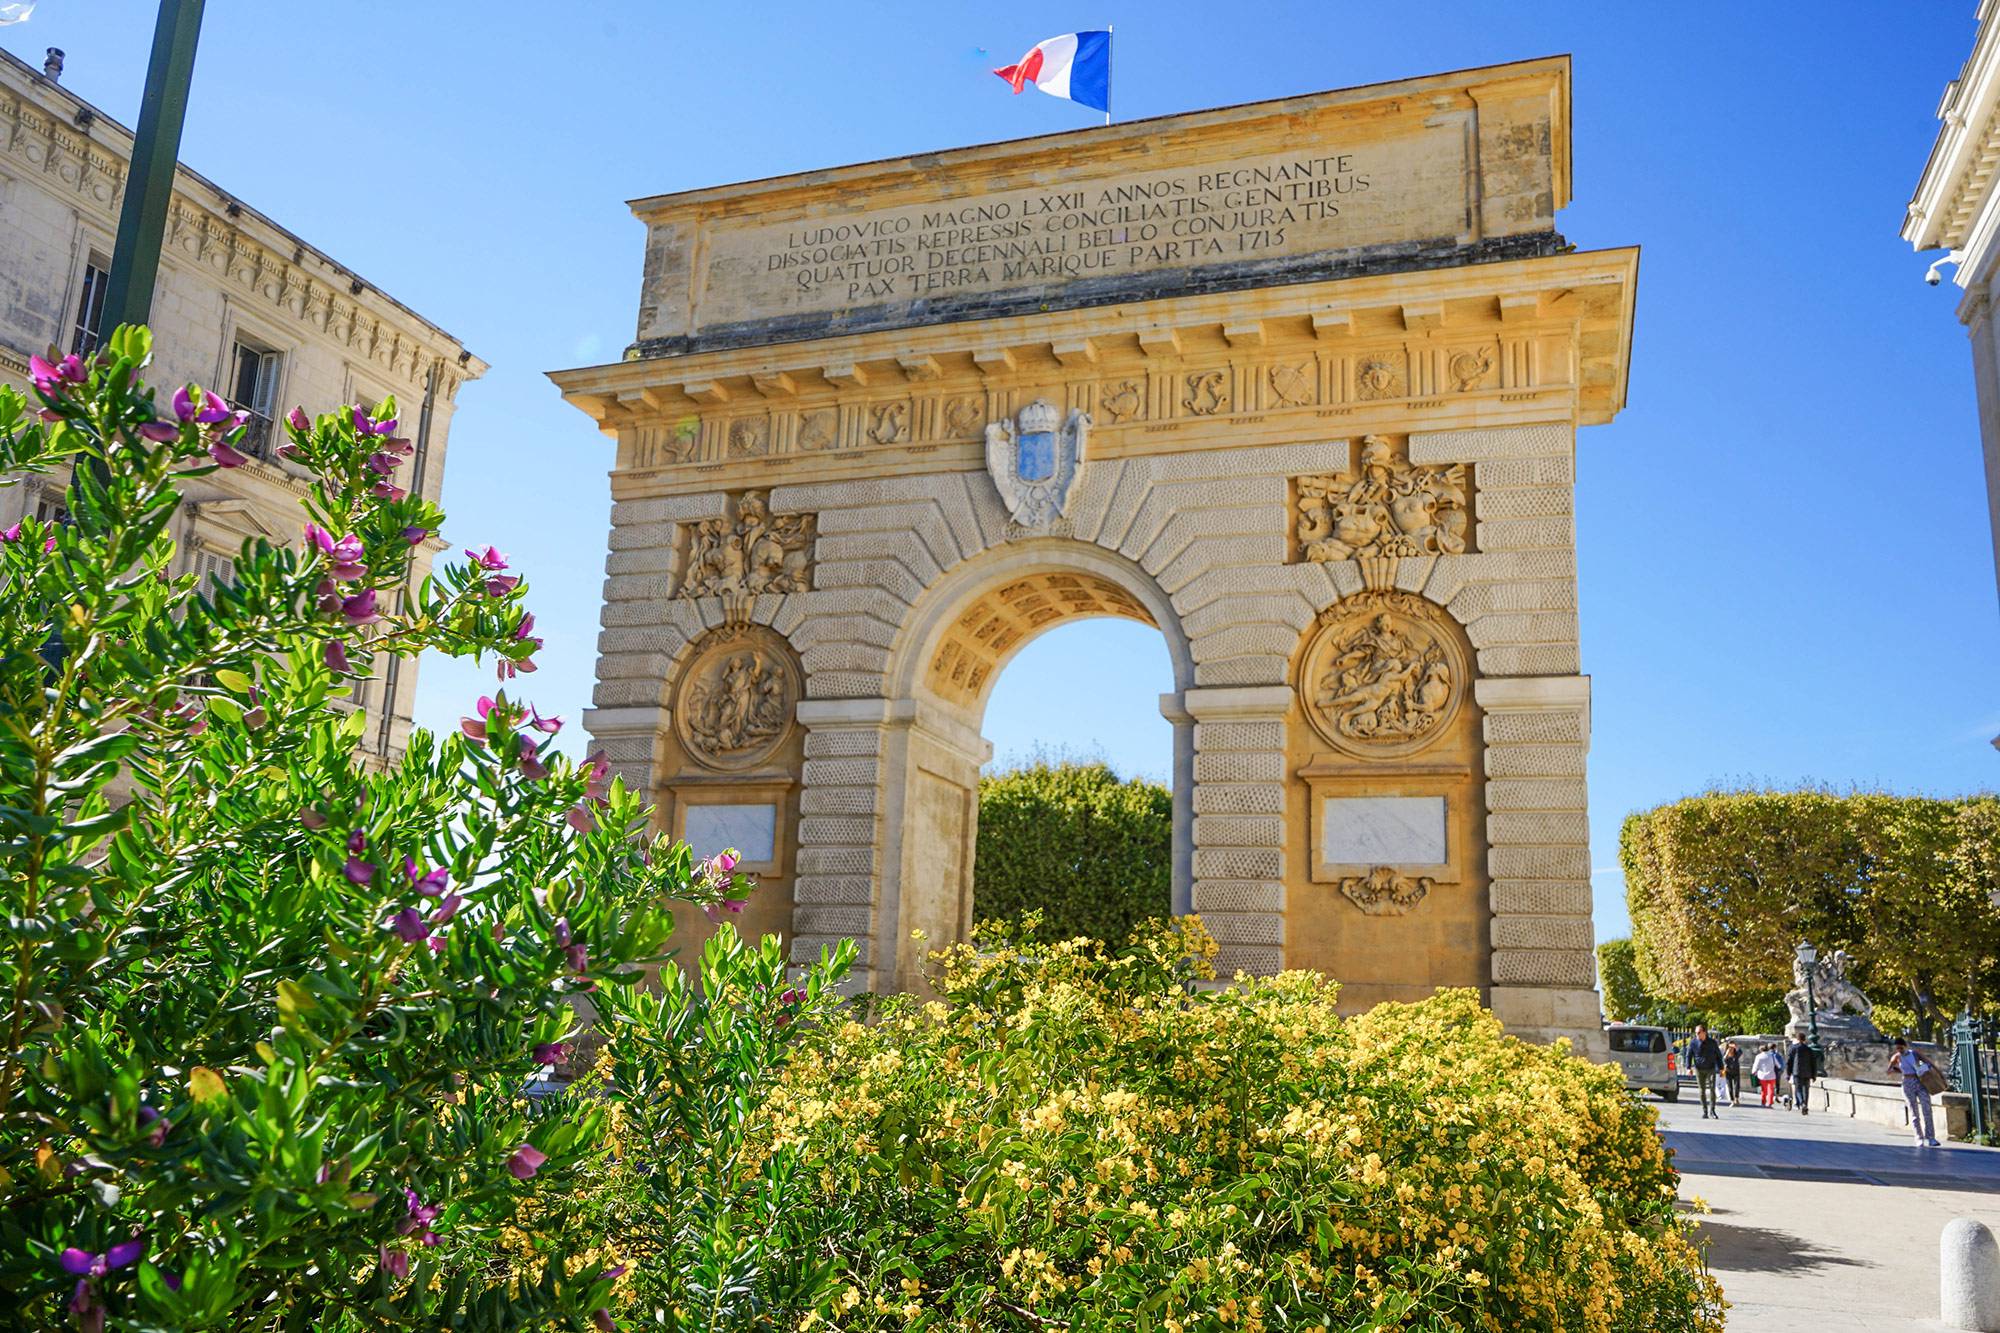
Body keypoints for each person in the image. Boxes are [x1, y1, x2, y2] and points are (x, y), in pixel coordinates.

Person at [1886, 1036, 1941, 1147]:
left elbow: (1929, 1063)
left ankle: (1931, 1137)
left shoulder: (1915, 1054)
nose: (1899, 1050)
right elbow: (1889, 1070)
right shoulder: (1896, 1057)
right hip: (1907, 1082)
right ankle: (1919, 1137)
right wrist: (1897, 1070)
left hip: (1920, 1081)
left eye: (1901, 1048)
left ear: (1905, 1046)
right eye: (1897, 1048)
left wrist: (1932, 1071)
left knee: (1927, 1109)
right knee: (1913, 1112)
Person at [1689, 1024, 1724, 1118]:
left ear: (1704, 1032)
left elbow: (1718, 1056)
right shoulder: (1693, 1042)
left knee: (1712, 1089)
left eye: (1698, 1033)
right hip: (1699, 1069)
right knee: (1702, 1090)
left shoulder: (1712, 1042)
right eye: (1696, 1033)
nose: (1697, 1035)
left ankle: (1712, 1110)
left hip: (1711, 1068)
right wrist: (1689, 1068)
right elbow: (1689, 1055)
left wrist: (1721, 1069)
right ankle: (1705, 1111)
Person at [1786, 1033, 1818, 1115]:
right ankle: (1805, 1105)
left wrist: (1788, 1074)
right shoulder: (1809, 1049)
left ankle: (1802, 1103)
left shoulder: (1793, 1048)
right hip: (1808, 1072)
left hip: (1797, 1072)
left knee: (1798, 1089)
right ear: (1805, 1039)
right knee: (1806, 1090)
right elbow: (1813, 1063)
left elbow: (1789, 1062)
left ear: (1797, 1039)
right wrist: (1814, 1075)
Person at [1752, 1043, 1782, 1107]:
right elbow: (1778, 1065)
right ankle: (1770, 1102)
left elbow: (1755, 1066)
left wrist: (1753, 1072)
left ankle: (1763, 1102)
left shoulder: (1758, 1056)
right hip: (1772, 1075)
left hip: (1762, 1076)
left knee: (1763, 1090)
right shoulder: (1772, 1056)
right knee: (1771, 1089)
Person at [1722, 1039, 1742, 1108]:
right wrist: (1727, 1053)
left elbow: (1740, 1051)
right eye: (1730, 1047)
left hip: (1736, 1072)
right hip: (1728, 1072)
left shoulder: (1736, 1054)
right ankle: (1732, 1101)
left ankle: (1736, 1098)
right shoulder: (1726, 1053)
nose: (1731, 1048)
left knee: (1737, 1086)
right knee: (1730, 1087)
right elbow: (1723, 1060)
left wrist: (1735, 1046)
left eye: (1732, 1047)